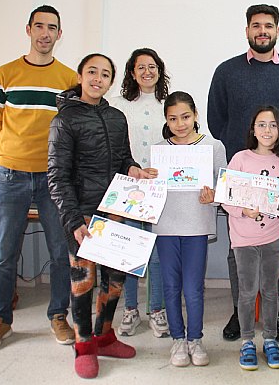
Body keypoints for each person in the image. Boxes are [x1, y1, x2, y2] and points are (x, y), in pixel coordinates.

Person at [47, 53, 155, 379]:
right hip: (80, 215)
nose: (98, 78)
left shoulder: (117, 117)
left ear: (110, 81)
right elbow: (57, 176)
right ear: (80, 76)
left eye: (105, 74)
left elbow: (124, 159)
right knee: (84, 282)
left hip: (116, 211)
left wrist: (136, 170)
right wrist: (73, 221)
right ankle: (84, 346)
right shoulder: (63, 121)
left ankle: (105, 336)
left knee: (116, 280)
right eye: (92, 71)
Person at [207, 3, 279, 343]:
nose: (261, 30)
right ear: (247, 30)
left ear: (278, 30)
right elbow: (215, 121)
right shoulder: (226, 71)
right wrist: (242, 154)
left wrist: (277, 150)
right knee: (240, 248)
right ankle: (240, 312)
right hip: (242, 172)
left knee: (276, 248)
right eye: (255, 25)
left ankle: (276, 315)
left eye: (268, 25)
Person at [0, 5, 77, 352]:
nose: (45, 33)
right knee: (5, 252)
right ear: (29, 30)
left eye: (52, 27)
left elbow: (71, 130)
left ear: (59, 35)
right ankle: (0, 321)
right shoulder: (5, 73)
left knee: (60, 251)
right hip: (12, 175)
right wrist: (15, 151)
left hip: (54, 178)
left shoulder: (69, 80)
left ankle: (58, 316)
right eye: (39, 26)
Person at [222, 106, 279, 371]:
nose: (267, 130)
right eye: (261, 124)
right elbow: (226, 197)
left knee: (270, 291)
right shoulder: (240, 159)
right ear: (252, 130)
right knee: (247, 292)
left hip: (272, 237)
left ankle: (270, 339)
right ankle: (247, 341)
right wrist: (243, 210)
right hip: (243, 238)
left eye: (273, 125)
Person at [153, 91, 227, 367]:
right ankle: (178, 340)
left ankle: (195, 338)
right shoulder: (159, 149)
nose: (180, 124)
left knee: (193, 287)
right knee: (170, 285)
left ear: (195, 115)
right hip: (165, 225)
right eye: (173, 119)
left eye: (185, 117)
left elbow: (225, 186)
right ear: (167, 121)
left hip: (197, 224)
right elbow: (150, 189)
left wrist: (214, 195)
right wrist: (147, 179)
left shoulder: (213, 146)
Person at [111, 48, 170, 338]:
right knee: (130, 251)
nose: (147, 72)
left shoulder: (169, 105)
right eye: (140, 67)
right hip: (129, 187)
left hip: (161, 189)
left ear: (159, 70)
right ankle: (131, 309)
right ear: (132, 73)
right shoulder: (117, 105)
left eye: (152, 66)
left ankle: (156, 310)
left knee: (158, 254)